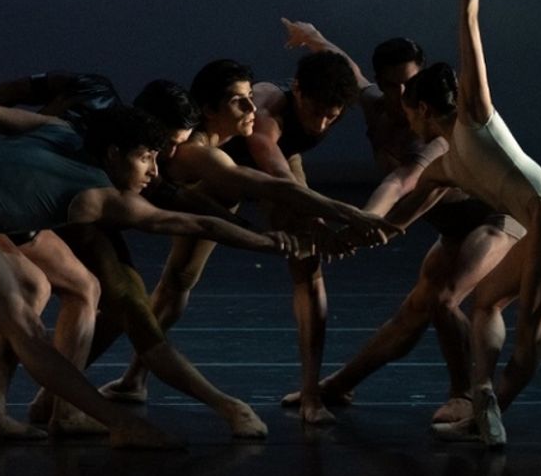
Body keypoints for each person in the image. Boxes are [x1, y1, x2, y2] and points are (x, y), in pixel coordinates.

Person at [0, 103, 308, 448]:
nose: (154, 170)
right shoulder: (97, 195)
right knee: (25, 327)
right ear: (113, 154)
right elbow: (190, 221)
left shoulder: (62, 133)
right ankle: (119, 424)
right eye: (145, 156)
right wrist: (266, 240)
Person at [383, 0, 541, 447]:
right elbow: (399, 217)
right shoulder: (446, 164)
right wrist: (346, 233)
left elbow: (468, 21)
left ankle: (491, 413)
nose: (404, 117)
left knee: (531, 330)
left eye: (409, 108)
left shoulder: (474, 118)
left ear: (426, 109)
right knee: (486, 304)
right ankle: (483, 400)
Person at [97, 57, 400, 425]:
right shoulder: (251, 127)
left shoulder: (272, 110)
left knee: (309, 271)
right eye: (315, 112)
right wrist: (337, 216)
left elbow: (285, 175)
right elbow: (274, 181)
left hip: (268, 171)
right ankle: (134, 377)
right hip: (248, 175)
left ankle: (310, 394)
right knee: (179, 279)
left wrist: (314, 39)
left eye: (331, 117)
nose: (321, 123)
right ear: (298, 91)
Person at [275, 22, 524, 425]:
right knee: (412, 314)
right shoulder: (377, 104)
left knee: (445, 300)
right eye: (391, 86)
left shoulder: (436, 128)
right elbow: (348, 69)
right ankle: (339, 385)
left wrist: (360, 222)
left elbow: (402, 182)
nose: (401, 96)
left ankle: (464, 395)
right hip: (452, 228)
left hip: (496, 219)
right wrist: (314, 37)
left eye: (409, 84)